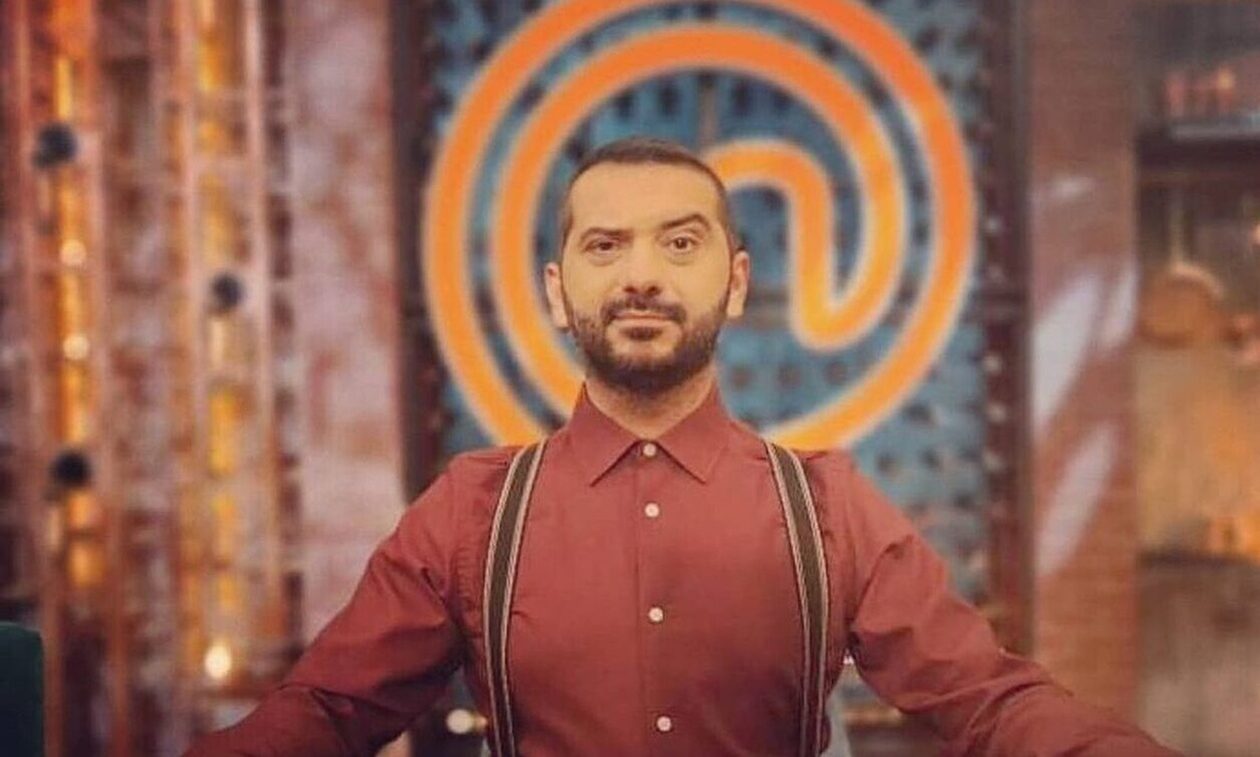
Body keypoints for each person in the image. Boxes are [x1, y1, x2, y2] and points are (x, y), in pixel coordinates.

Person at [188, 137, 1178, 756]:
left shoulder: (826, 507)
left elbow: (990, 700)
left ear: (736, 283)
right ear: (558, 291)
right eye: (604, 245)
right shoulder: (471, 510)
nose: (642, 275)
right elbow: (326, 712)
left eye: (680, 242)